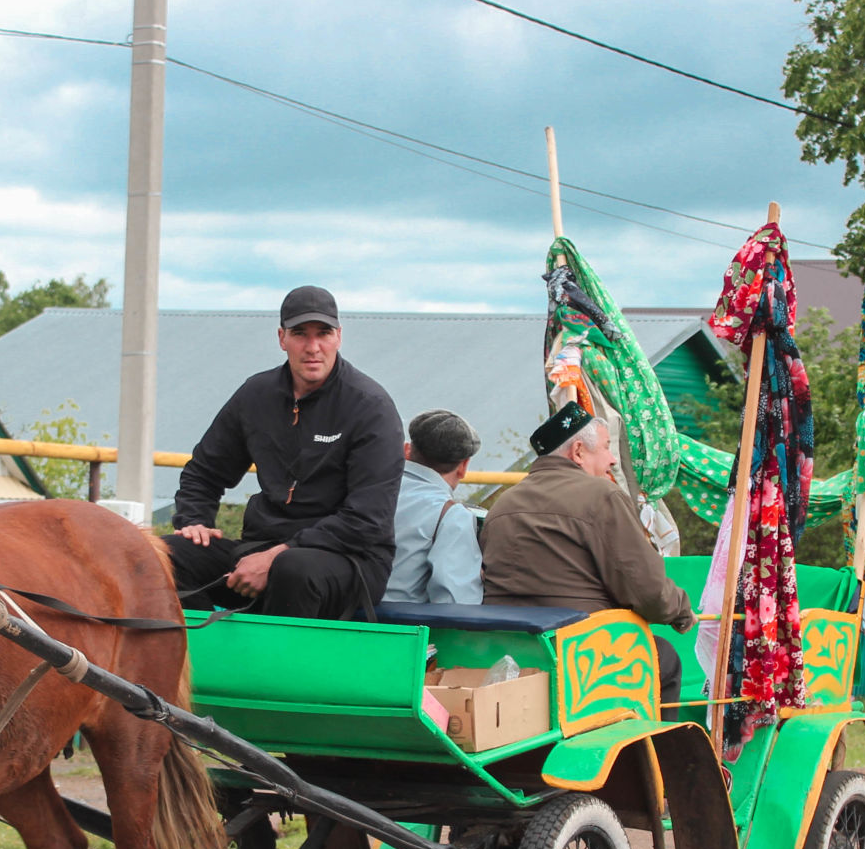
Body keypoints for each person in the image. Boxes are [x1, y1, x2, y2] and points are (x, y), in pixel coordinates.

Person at [164, 286, 404, 619]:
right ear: (282, 338)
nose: (313, 347)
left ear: (339, 337)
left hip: (351, 558)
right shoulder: (256, 395)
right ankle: (202, 654)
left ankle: (272, 670)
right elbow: (204, 471)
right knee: (167, 554)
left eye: (323, 334)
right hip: (262, 546)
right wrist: (194, 520)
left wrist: (278, 555)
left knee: (292, 568)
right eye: (300, 334)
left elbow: (367, 520)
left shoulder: (370, 407)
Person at [481, 402, 694, 700]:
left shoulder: (503, 504)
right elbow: (648, 590)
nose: (612, 460)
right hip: (580, 652)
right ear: (578, 451)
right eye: (607, 448)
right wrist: (681, 611)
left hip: (509, 649)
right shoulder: (602, 496)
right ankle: (660, 747)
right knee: (665, 658)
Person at [382, 409, 483, 605]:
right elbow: (456, 603)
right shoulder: (450, 515)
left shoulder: (363, 489)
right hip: (404, 630)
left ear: (406, 450)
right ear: (463, 467)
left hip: (335, 622)